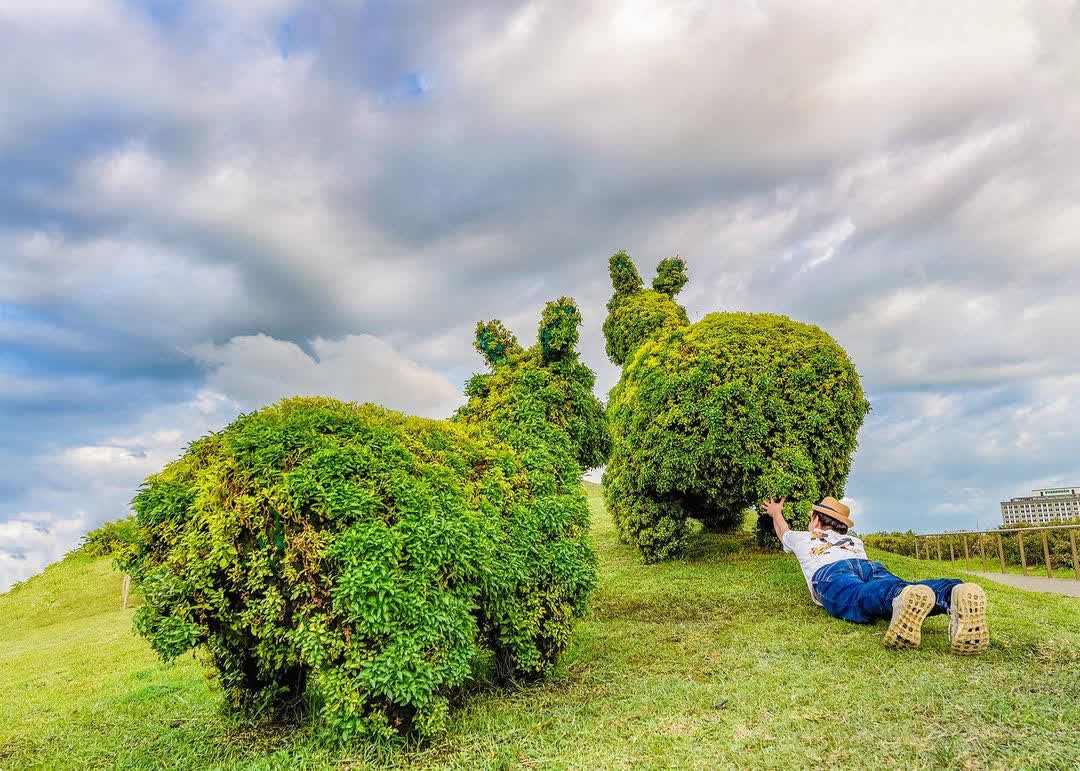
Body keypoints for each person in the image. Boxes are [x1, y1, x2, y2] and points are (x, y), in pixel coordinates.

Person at [765, 496, 990, 654]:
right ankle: (951, 591)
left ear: (815, 519)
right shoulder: (854, 541)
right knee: (899, 585)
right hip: (868, 565)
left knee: (857, 596)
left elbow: (782, 531)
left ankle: (902, 597)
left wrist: (776, 512)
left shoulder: (804, 537)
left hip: (831, 571)